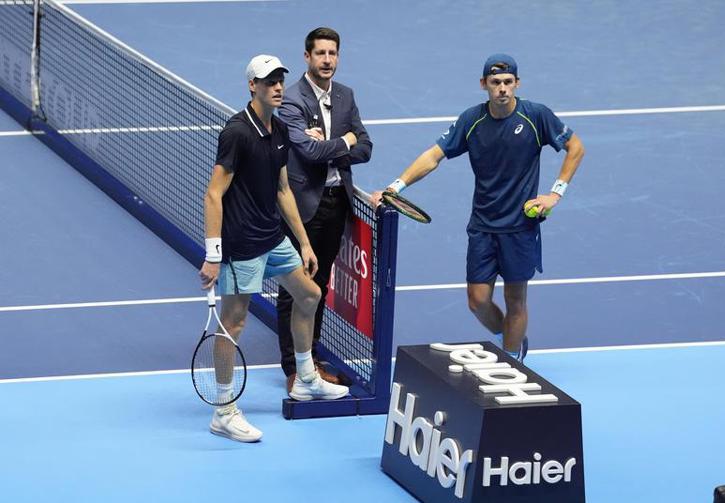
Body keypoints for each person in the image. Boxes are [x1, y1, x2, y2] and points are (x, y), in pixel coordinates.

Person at [372, 53, 584, 363]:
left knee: (515, 300)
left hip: (519, 228)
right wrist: (395, 186)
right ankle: (511, 338)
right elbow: (433, 156)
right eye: (496, 82)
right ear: (483, 84)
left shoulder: (536, 116)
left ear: (517, 84)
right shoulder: (472, 121)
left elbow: (575, 148)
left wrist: (555, 194)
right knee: (478, 301)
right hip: (483, 225)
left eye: (508, 82)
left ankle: (513, 362)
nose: (502, 88)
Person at [199, 54, 349, 443]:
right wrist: (214, 254)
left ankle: (305, 379)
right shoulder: (237, 133)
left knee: (310, 295)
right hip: (242, 244)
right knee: (233, 323)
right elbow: (214, 193)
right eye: (269, 81)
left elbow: (283, 190)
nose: (278, 86)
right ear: (253, 86)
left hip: (272, 237)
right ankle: (224, 411)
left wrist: (302, 241)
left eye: (280, 79)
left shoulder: (279, 130)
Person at [275, 27, 373, 391]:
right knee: (295, 287)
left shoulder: (345, 96)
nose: (327, 60)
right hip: (302, 207)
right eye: (320, 54)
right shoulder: (292, 99)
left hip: (336, 204)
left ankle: (310, 357)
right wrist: (343, 141)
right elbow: (308, 153)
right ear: (307, 57)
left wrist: (336, 142)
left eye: (332, 53)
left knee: (321, 282)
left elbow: (366, 147)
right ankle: (292, 367)